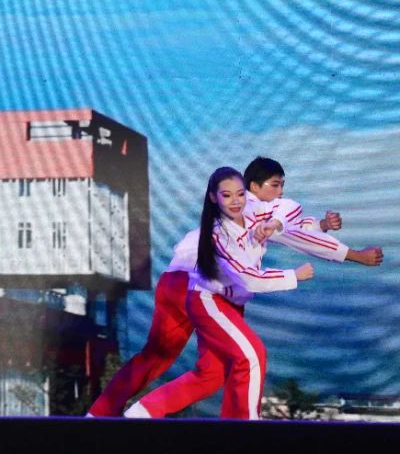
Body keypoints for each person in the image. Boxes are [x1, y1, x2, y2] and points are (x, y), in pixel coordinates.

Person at [100, 157, 382, 418]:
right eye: (275, 185)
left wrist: (319, 224)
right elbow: (288, 222)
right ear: (252, 187)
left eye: (282, 185)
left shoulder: (256, 211)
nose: (281, 192)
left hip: (187, 283)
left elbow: (290, 221)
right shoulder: (244, 211)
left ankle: (131, 413)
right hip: (203, 286)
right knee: (246, 357)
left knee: (208, 373)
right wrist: (354, 255)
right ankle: (243, 427)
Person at [127, 167, 314, 420]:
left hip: (231, 304)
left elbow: (291, 206)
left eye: (240, 194)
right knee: (251, 355)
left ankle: (141, 413)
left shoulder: (253, 212)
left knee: (211, 376)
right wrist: (294, 275)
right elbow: (249, 279)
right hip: (209, 301)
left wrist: (274, 222)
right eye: (227, 195)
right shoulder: (218, 234)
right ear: (214, 198)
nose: (236, 201)